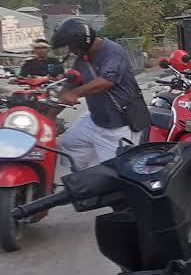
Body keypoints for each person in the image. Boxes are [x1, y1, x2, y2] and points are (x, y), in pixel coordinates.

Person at [51, 17, 149, 170]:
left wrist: (75, 93)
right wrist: (50, 115)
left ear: (81, 41)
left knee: (115, 174)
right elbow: (70, 85)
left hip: (119, 124)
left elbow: (106, 81)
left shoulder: (113, 50)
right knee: (68, 143)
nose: (70, 51)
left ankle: (103, 181)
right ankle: (84, 177)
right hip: (96, 119)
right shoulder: (82, 59)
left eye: (71, 46)